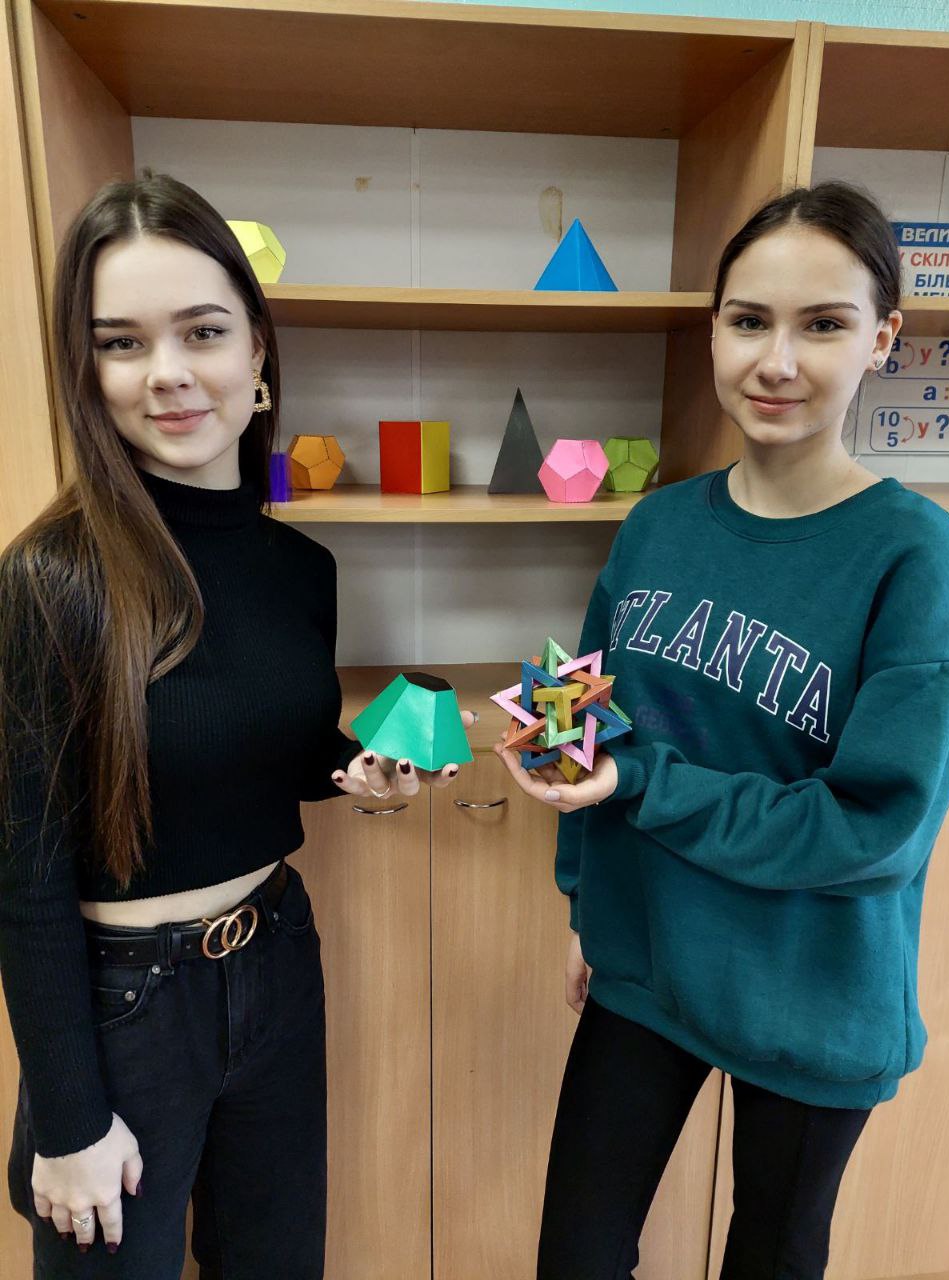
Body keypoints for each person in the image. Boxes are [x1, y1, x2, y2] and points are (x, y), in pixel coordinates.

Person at [0, 170, 469, 1278]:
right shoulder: (52, 579)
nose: (166, 372)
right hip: (125, 1008)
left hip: (277, 959)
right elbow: (23, 871)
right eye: (122, 343)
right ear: (88, 371)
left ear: (257, 349)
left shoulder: (299, 567)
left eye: (201, 331)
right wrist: (67, 1118)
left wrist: (362, 767)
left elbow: (281, 751)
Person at [495, 181, 949, 1279]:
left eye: (824, 323)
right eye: (749, 320)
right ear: (713, 329)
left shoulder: (917, 555)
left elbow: (873, 828)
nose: (776, 361)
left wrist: (641, 785)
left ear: (883, 338)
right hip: (646, 961)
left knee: (772, 1257)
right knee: (577, 1253)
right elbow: (586, 721)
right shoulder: (657, 523)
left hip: (809, 993)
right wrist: (584, 899)